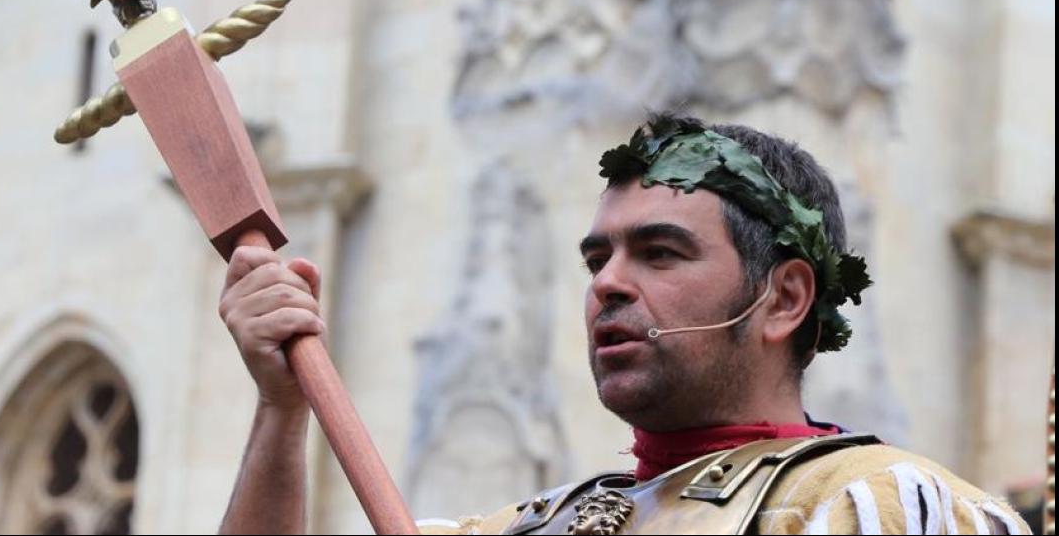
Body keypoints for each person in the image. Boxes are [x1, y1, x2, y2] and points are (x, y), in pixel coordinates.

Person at [216, 113, 1030, 534]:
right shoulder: (515, 528)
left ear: (783, 298)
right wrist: (281, 411)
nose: (607, 284)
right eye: (596, 258)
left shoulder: (880, 508)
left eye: (660, 253)